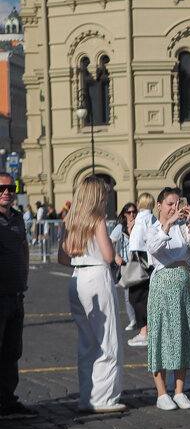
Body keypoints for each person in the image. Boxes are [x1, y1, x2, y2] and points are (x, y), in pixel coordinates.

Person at [58, 176, 124, 413]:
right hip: (97, 276)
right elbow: (108, 256)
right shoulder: (97, 220)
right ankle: (104, 397)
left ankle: (87, 396)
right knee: (107, 340)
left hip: (77, 277)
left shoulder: (71, 220)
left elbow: (62, 258)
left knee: (86, 341)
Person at [144, 187, 190, 411]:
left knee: (183, 335)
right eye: (170, 204)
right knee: (162, 336)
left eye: (177, 203)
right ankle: (162, 393)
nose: (174, 208)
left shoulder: (182, 228)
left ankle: (179, 391)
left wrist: (189, 224)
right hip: (162, 285)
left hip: (184, 286)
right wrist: (167, 224)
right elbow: (152, 248)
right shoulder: (153, 228)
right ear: (159, 205)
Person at [0, 172, 32, 416]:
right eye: (2, 188)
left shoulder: (19, 218)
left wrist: (25, 276)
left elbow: (24, 246)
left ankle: (8, 399)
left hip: (16, 293)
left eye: (12, 188)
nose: (7, 192)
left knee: (12, 351)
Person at [126, 192, 156, 348]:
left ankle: (144, 332)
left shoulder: (139, 220)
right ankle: (148, 331)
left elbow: (136, 244)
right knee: (146, 298)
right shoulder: (153, 218)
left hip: (140, 262)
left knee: (136, 298)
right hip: (152, 263)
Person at [111, 203, 138, 330]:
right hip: (126, 263)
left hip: (139, 262)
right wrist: (116, 256)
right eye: (129, 212)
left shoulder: (139, 226)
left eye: (134, 212)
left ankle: (142, 320)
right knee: (128, 294)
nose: (132, 214)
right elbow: (110, 243)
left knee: (141, 293)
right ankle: (133, 320)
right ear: (124, 214)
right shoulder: (120, 228)